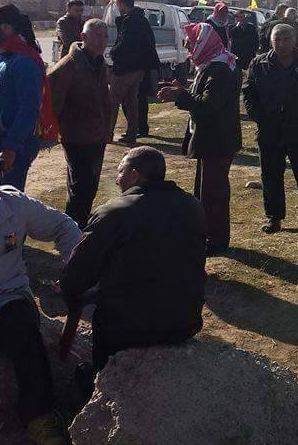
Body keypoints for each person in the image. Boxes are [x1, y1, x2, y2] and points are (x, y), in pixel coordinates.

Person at [61, 147, 205, 373]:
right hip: (185, 322)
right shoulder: (192, 205)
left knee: (103, 311)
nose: (117, 180)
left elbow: (79, 273)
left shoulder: (114, 212)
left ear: (135, 175)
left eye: (120, 172)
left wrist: (67, 289)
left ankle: (100, 375)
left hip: (129, 329)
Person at [0, 153, 81, 445]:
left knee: (24, 335)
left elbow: (63, 227)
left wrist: (75, 270)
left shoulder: (14, 205)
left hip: (6, 293)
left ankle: (39, 418)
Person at [158, 22, 241, 253]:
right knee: (206, 190)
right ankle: (206, 235)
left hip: (217, 138)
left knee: (213, 192)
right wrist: (182, 91)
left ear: (203, 42)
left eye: (190, 43)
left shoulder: (219, 68)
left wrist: (179, 96)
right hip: (213, 137)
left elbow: (208, 104)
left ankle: (216, 240)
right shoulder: (213, 63)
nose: (188, 47)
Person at [244, 24, 298, 236]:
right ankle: (274, 217)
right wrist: (259, 117)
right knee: (270, 174)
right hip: (269, 129)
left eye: (286, 39)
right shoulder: (259, 64)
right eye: (277, 39)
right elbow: (249, 93)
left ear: (294, 40)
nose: (281, 44)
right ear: (271, 40)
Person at [47, 18, 112, 227]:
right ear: (83, 37)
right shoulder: (68, 66)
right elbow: (52, 102)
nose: (102, 41)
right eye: (97, 36)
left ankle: (79, 226)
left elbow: (105, 99)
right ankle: (73, 230)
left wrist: (107, 129)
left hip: (97, 135)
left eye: (106, 37)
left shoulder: (99, 63)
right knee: (80, 187)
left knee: (90, 186)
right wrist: (58, 128)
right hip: (76, 137)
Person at [0, 3, 48, 188]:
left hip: (8, 148)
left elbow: (29, 109)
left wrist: (10, 147)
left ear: (6, 28)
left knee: (5, 200)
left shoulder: (25, 62)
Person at [108, 0, 159, 144]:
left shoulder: (129, 21)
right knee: (132, 101)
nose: (117, 7)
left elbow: (125, 42)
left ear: (123, 4)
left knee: (113, 100)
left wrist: (113, 52)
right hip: (139, 67)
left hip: (126, 67)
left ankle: (107, 133)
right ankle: (131, 133)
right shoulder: (142, 19)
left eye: (118, 4)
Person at [228, 9, 260, 76]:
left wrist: (253, 51)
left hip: (248, 56)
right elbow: (230, 35)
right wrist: (237, 26)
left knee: (248, 75)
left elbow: (256, 41)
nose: (240, 19)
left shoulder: (251, 27)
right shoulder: (232, 27)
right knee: (237, 75)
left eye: (242, 17)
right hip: (236, 56)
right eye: (237, 17)